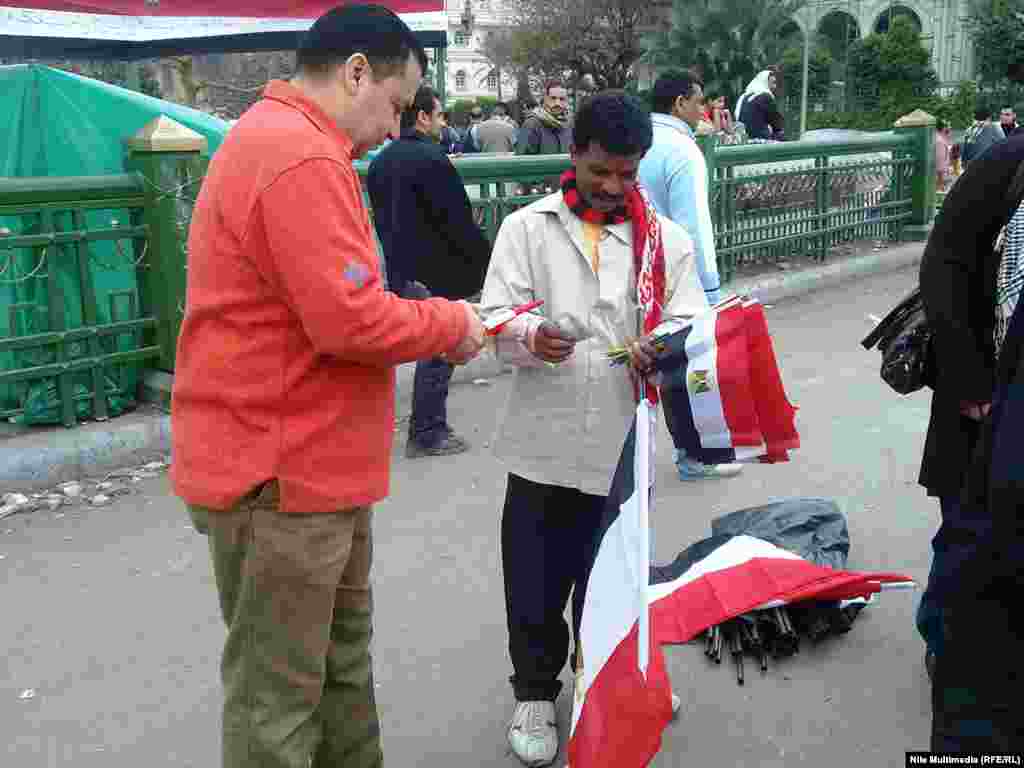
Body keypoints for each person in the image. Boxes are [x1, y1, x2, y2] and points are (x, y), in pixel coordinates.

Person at [170, 7, 485, 767]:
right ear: (354, 73)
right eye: (396, 103)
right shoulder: (299, 157)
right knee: (280, 699)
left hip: (310, 472)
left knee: (339, 669)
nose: (396, 125)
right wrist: (452, 324)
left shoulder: (290, 144)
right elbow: (349, 320)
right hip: (281, 475)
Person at [481, 91, 706, 767]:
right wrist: (531, 334)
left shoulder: (665, 240)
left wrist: (659, 344)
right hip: (541, 440)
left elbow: (687, 317)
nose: (613, 188)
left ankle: (605, 681)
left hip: (621, 436)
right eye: (600, 171)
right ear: (573, 153)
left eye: (627, 175)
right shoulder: (527, 228)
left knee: (613, 573)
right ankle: (533, 694)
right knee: (535, 577)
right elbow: (497, 314)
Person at [927, 137, 1024, 753]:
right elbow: (943, 261)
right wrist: (968, 379)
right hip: (986, 397)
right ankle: (943, 638)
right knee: (971, 532)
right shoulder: (1007, 165)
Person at [367, 84, 492, 457]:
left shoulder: (380, 162)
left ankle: (424, 427)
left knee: (428, 347)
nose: (442, 123)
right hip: (439, 271)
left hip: (401, 270)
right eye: (439, 115)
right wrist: (482, 262)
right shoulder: (434, 160)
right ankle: (427, 431)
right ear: (421, 116)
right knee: (441, 348)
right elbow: (458, 223)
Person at [638, 69, 743, 483]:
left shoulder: (638, 141)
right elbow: (693, 226)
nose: (704, 110)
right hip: (675, 275)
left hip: (633, 268)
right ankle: (694, 455)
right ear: (680, 103)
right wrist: (709, 286)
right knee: (685, 369)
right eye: (699, 101)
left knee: (641, 364)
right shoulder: (682, 151)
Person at [516, 80, 572, 156]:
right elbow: (520, 161)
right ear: (545, 98)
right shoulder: (530, 124)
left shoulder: (570, 125)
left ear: (566, 100)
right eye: (553, 98)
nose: (557, 103)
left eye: (561, 99)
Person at [735, 70, 784, 142]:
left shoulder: (743, 96)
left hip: (743, 140)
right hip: (761, 139)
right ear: (764, 83)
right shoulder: (766, 96)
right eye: (772, 83)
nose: (775, 87)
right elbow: (776, 124)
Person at [935, 119, 952, 191]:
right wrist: (941, 182)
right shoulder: (940, 141)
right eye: (948, 126)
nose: (950, 128)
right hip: (940, 178)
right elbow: (940, 162)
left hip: (941, 177)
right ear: (944, 128)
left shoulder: (940, 138)